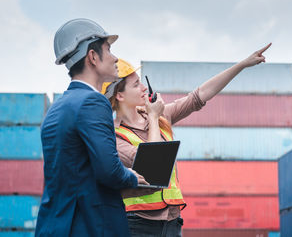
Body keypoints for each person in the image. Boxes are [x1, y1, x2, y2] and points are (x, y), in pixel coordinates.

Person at [101, 43, 271, 237]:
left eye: (141, 81)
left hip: (173, 220)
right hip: (138, 224)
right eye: (135, 84)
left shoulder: (160, 115)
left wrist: (241, 65)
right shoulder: (114, 136)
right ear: (120, 95)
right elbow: (153, 168)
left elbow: (198, 97)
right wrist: (154, 118)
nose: (142, 87)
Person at [35, 18, 148, 237]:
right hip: (90, 226)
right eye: (109, 49)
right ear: (93, 57)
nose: (115, 58)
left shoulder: (56, 109)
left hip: (54, 227)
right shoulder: (94, 102)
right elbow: (110, 171)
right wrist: (134, 177)